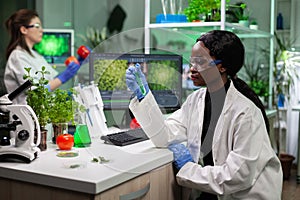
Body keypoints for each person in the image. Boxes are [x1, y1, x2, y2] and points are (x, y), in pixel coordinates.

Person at [126, 30, 282, 199]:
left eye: (200, 62)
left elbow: (237, 177)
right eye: (192, 61)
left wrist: (188, 168)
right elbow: (164, 136)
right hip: (210, 190)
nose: (192, 69)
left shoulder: (246, 113)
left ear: (222, 67)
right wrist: (143, 96)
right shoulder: (196, 100)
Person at [4, 9, 80, 104]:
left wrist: (78, 63)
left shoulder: (36, 55)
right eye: (37, 26)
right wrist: (64, 77)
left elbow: (52, 80)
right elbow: (35, 92)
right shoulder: (18, 56)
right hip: (24, 116)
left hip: (41, 114)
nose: (41, 30)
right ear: (23, 30)